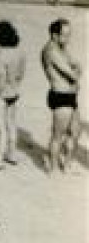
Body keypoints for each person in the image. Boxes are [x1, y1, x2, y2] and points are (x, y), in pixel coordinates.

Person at [42, 18, 81, 174]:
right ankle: (52, 168)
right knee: (58, 135)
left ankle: (66, 164)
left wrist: (76, 71)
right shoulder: (50, 51)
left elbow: (77, 66)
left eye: (69, 35)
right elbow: (74, 73)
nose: (68, 39)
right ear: (54, 35)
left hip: (70, 96)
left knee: (75, 132)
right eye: (64, 35)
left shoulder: (61, 48)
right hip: (60, 95)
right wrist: (75, 72)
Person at [0, 21, 25, 171]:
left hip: (1, 93)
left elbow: (1, 77)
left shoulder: (0, 55)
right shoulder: (20, 53)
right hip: (14, 91)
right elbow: (21, 74)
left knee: (1, 128)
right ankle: (12, 155)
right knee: (11, 124)